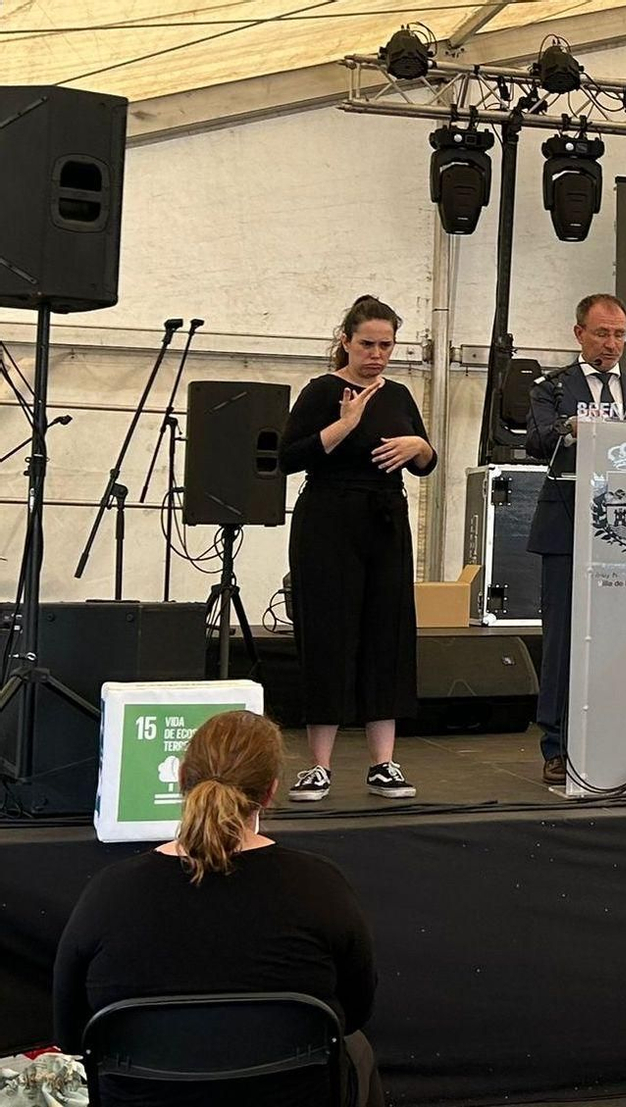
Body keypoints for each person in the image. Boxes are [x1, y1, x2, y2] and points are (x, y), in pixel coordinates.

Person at [53, 711, 384, 1107]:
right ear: (269, 792)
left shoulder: (109, 893)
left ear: (180, 781)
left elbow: (71, 1034)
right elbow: (357, 1009)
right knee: (357, 1048)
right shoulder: (321, 886)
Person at [279, 296, 435, 802]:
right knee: (327, 632)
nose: (377, 354)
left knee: (386, 634)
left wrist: (420, 448)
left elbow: (425, 459)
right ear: (345, 340)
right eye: (367, 344)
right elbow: (287, 457)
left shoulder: (399, 395)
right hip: (327, 518)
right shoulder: (322, 390)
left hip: (385, 520)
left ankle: (383, 763)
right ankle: (318, 765)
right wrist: (343, 425)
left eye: (386, 345)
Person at [526, 293, 626, 786]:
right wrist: (570, 428)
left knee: (625, 638)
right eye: (602, 333)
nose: (612, 343)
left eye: (620, 334)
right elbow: (537, 440)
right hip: (567, 522)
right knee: (564, 639)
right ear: (578, 333)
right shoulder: (552, 387)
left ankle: (622, 736)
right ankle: (557, 744)